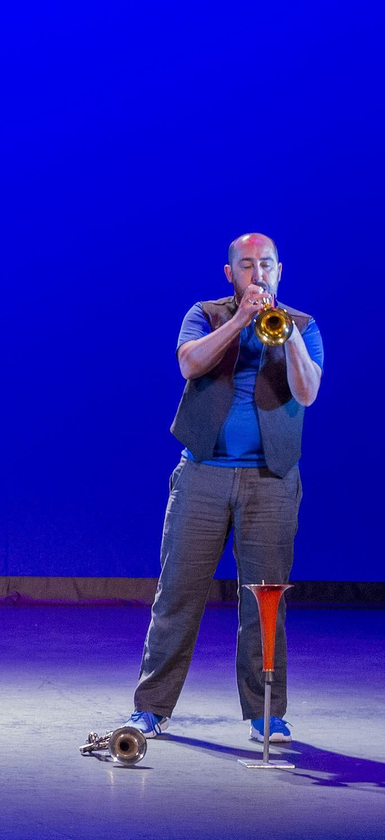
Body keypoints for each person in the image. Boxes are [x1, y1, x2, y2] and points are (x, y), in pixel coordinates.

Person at [123, 232, 323, 744]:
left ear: (280, 270)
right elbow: (189, 364)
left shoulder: (302, 324)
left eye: (267, 265)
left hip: (271, 480)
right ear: (229, 273)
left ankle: (266, 715)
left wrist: (286, 335)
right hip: (202, 474)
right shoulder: (204, 314)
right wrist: (239, 321)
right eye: (247, 265)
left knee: (265, 602)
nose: (258, 273)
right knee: (177, 597)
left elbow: (308, 391)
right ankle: (151, 709)